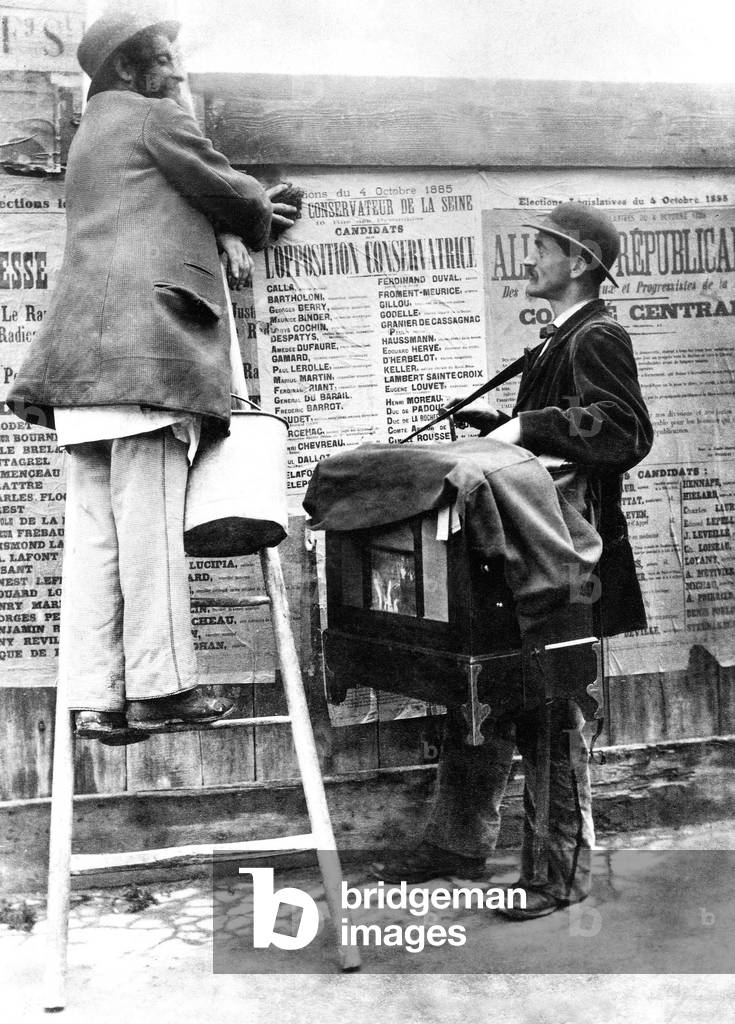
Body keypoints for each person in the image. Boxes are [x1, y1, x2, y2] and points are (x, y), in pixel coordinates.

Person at [6, 10, 296, 744]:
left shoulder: (92, 134)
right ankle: (162, 691)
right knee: (150, 534)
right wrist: (259, 211)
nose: (177, 74)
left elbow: (175, 201)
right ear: (130, 71)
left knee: (98, 539)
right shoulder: (150, 117)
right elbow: (224, 188)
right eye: (164, 61)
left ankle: (98, 697)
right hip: (144, 362)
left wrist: (230, 221)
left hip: (80, 369)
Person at [372, 202, 653, 920]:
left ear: (578, 263)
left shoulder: (597, 336)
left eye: (538, 249)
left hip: (563, 563)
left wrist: (528, 423)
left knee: (553, 717)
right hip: (522, 554)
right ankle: (454, 847)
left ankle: (557, 878)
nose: (526, 261)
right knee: (482, 700)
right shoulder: (559, 338)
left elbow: (623, 432)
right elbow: (553, 444)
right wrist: (497, 428)